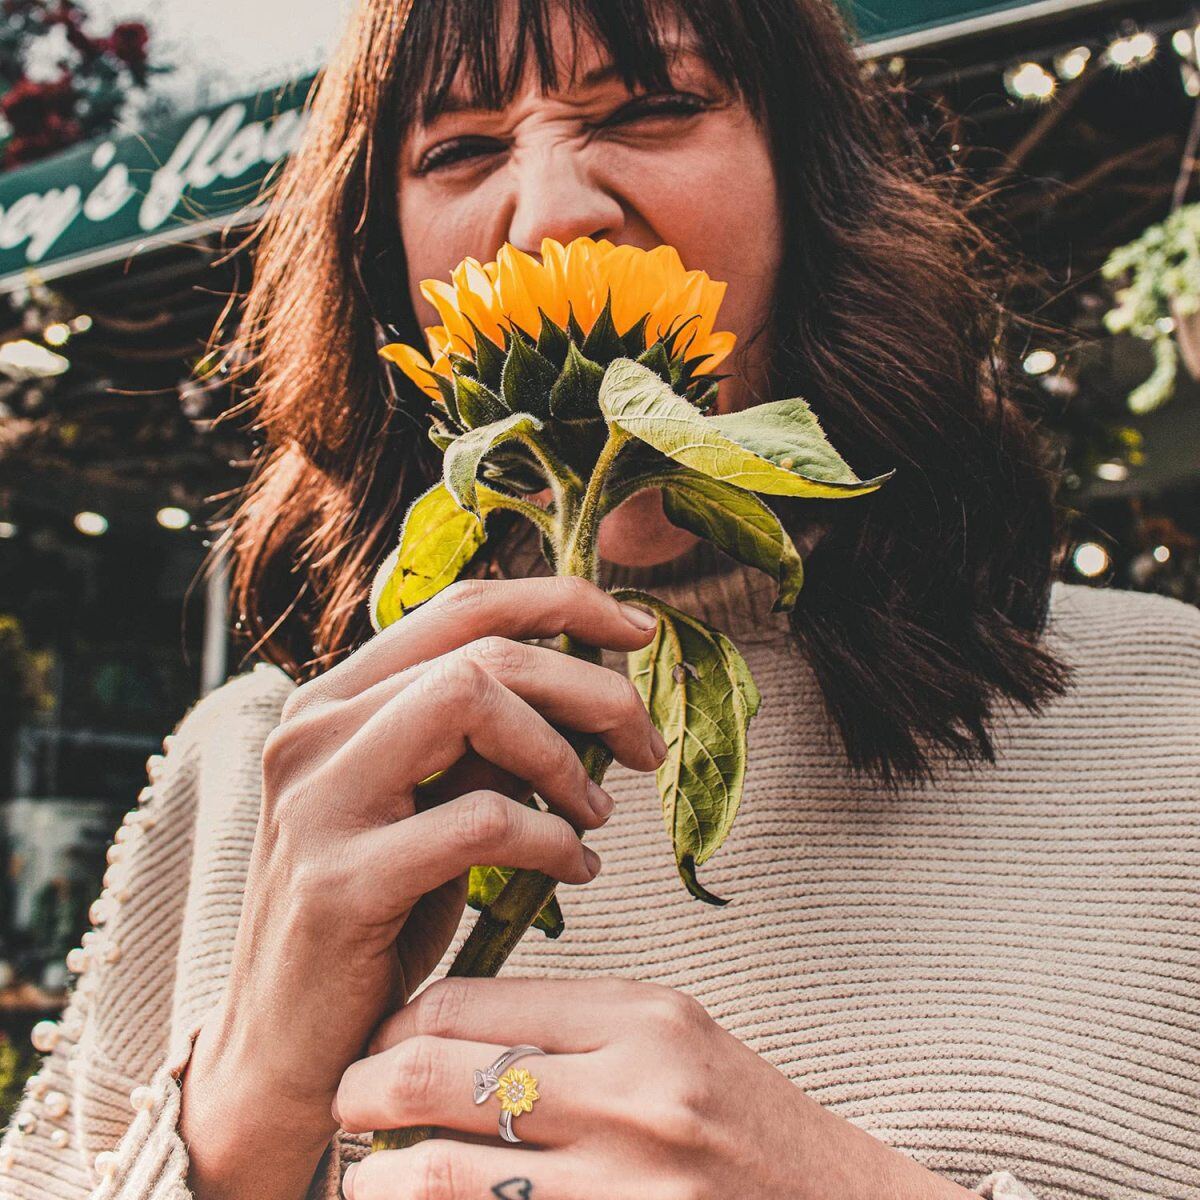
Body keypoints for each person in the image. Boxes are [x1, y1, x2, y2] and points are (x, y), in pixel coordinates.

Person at [3, 1, 1198, 1198]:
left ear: (813, 181)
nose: (552, 212)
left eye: (653, 108)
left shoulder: (1167, 730)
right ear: (388, 261)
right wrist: (240, 1117)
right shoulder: (252, 769)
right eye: (460, 150)